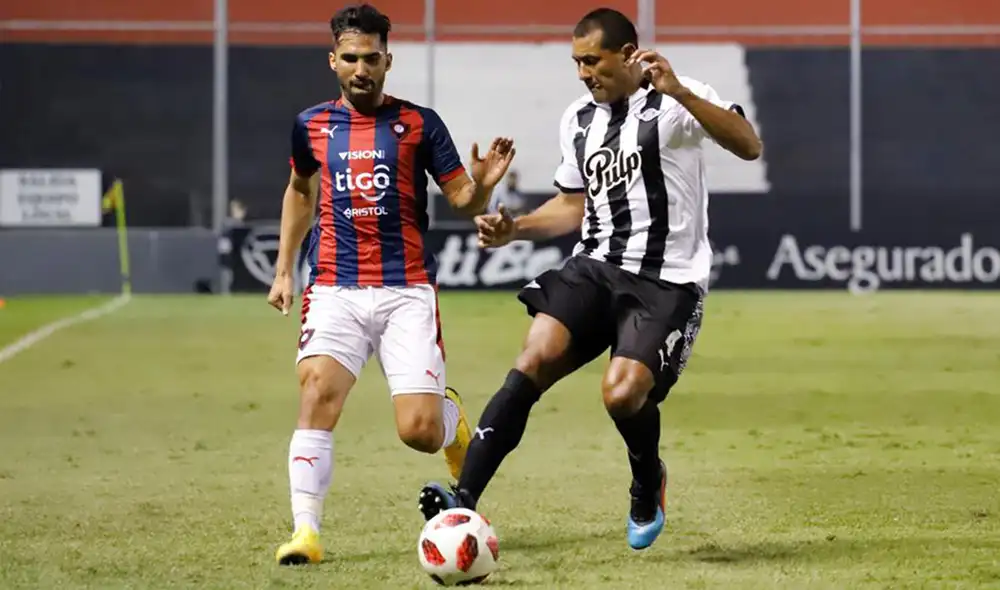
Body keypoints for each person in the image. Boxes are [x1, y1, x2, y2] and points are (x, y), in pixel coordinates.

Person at [416, 7, 761, 551]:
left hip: (666, 281)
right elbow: (574, 206)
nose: (583, 73)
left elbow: (748, 144)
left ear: (628, 55)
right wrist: (517, 228)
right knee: (532, 360)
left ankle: (647, 478)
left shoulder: (679, 98)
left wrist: (683, 94)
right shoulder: (579, 118)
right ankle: (463, 500)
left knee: (621, 395)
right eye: (577, 63)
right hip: (594, 267)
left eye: (592, 61)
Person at [266, 3, 516, 565]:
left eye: (371, 58)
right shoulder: (311, 125)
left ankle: (450, 425)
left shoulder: (419, 124)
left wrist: (481, 187)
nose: (361, 68)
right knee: (316, 396)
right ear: (333, 60)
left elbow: (460, 200)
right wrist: (285, 268)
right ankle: (305, 533)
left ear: (388, 61)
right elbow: (300, 192)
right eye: (350, 58)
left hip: (406, 291)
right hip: (334, 286)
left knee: (420, 433)